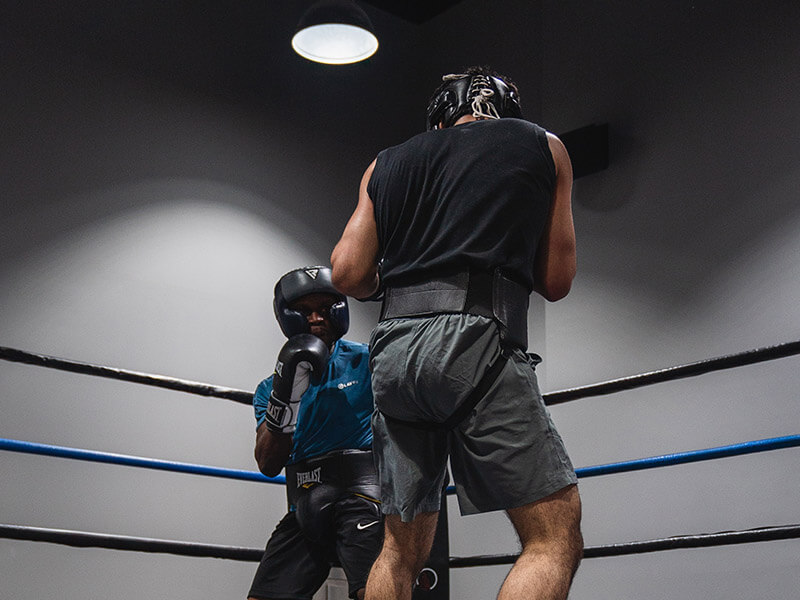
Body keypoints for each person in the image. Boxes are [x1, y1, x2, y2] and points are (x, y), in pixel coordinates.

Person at [330, 66, 583, 600]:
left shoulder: (385, 163)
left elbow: (348, 274)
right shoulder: (543, 145)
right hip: (475, 342)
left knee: (399, 549)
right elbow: (556, 281)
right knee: (552, 537)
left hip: (394, 354)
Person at [248, 266, 382, 600]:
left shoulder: (369, 362)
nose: (317, 318)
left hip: (362, 499)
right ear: (287, 317)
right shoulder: (269, 388)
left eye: (325, 309)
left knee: (376, 592)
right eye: (305, 311)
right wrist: (286, 394)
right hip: (305, 505)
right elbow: (267, 463)